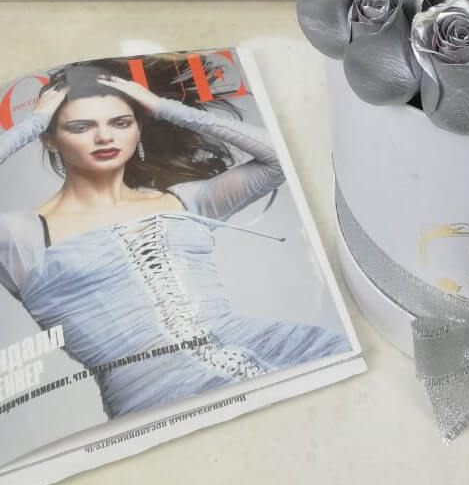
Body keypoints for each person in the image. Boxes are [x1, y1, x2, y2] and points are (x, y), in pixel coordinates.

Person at [0, 63, 349, 420]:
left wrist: (164, 108)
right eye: (81, 127)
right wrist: (32, 123)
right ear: (50, 138)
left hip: (288, 354)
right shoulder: (19, 236)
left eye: (120, 123)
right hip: (159, 407)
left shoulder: (185, 200)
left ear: (138, 129)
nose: (104, 137)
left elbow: (278, 159)